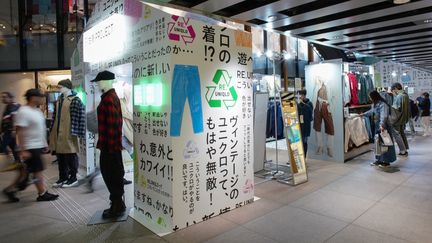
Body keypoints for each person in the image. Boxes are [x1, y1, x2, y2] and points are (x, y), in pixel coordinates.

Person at [3, 89, 59, 202]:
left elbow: (41, 129)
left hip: (36, 146)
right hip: (29, 147)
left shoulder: (37, 111)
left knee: (25, 173)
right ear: (33, 97)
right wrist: (22, 150)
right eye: (41, 96)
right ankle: (42, 193)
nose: (43, 98)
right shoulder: (23, 111)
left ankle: (10, 190)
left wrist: (44, 143)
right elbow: (18, 131)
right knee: (37, 171)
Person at [91, 70, 126, 218]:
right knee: (113, 175)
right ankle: (117, 204)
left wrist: (109, 148)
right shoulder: (110, 97)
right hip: (111, 145)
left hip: (109, 146)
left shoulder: (108, 99)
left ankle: (117, 206)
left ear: (107, 81)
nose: (98, 84)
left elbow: (113, 125)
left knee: (111, 175)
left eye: (99, 81)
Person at [50, 79, 85, 188]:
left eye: (60, 87)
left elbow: (81, 117)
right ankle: (63, 177)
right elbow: (54, 117)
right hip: (58, 132)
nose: (59, 89)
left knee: (70, 155)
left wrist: (80, 133)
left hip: (69, 132)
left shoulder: (75, 100)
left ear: (67, 87)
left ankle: (73, 178)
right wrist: (51, 130)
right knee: (60, 156)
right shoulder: (59, 100)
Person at [362, 90, 396, 167]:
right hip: (377, 126)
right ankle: (379, 160)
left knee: (386, 143)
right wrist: (364, 114)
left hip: (383, 127)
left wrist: (382, 125)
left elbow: (384, 116)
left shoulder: (383, 104)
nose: (370, 98)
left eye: (370, 97)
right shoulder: (375, 104)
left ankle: (386, 161)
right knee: (378, 143)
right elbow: (371, 111)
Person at [390, 82, 410, 156]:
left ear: (395, 89)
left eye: (393, 90)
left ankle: (402, 151)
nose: (393, 92)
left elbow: (396, 108)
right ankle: (405, 149)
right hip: (403, 118)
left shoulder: (399, 96)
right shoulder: (405, 95)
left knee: (397, 134)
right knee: (402, 133)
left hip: (397, 119)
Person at [1, 91, 20, 162]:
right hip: (8, 131)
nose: (2, 99)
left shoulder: (14, 106)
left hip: (10, 131)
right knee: (13, 147)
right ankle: (17, 162)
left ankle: (17, 161)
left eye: (4, 97)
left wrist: (14, 130)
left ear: (10, 98)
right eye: (2, 97)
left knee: (3, 146)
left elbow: (15, 118)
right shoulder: (8, 106)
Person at [297, 90, 313, 156]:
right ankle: (300, 157)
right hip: (298, 127)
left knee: (304, 142)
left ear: (303, 95)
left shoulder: (309, 104)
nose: (299, 97)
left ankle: (304, 158)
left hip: (305, 127)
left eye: (300, 95)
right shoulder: (298, 104)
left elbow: (310, 117)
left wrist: (303, 105)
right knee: (299, 143)